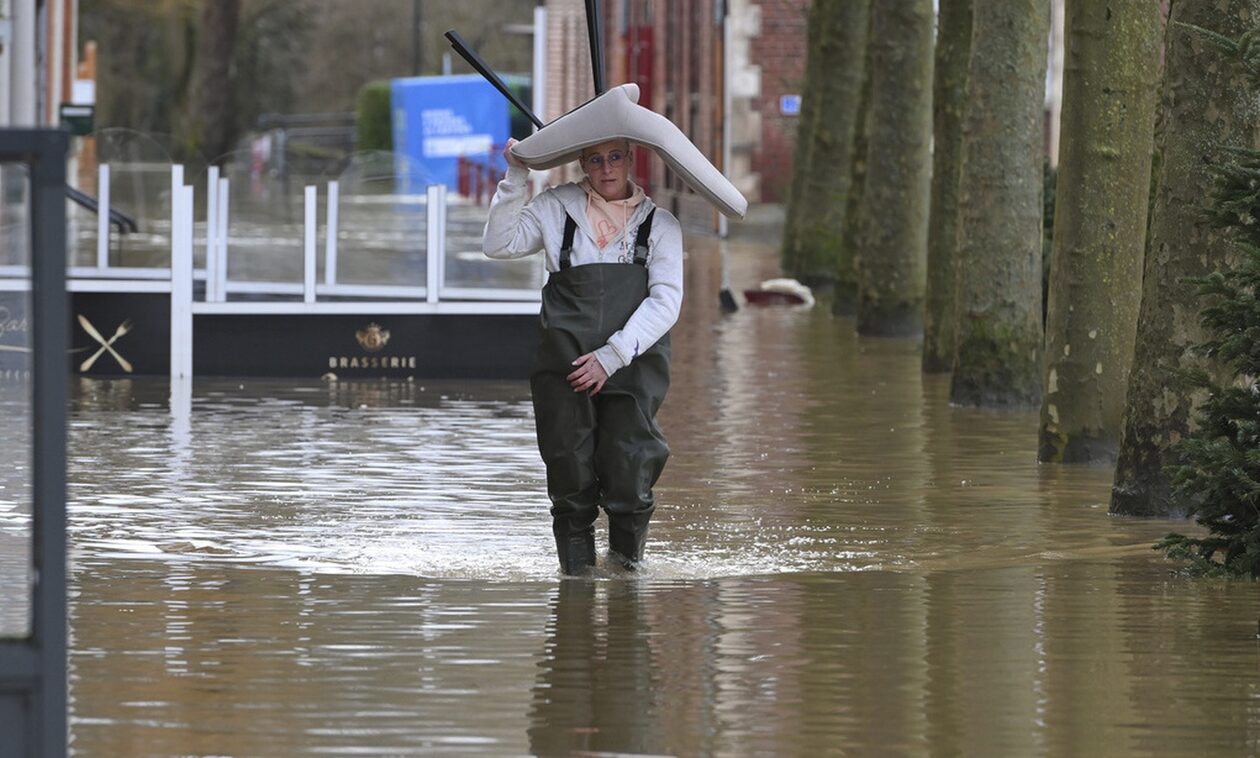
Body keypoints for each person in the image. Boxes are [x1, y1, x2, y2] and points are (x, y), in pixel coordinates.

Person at [482, 137, 683, 575]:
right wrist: (517, 174)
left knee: (631, 471)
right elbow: (498, 244)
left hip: (634, 364)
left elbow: (666, 303)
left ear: (630, 159)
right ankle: (575, 586)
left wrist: (611, 357)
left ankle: (627, 580)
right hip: (564, 363)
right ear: (582, 162)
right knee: (569, 476)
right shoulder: (556, 209)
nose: (606, 169)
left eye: (614, 157)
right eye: (595, 159)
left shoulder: (661, 225)